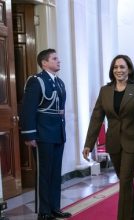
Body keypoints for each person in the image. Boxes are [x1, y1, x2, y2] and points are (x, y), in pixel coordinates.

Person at [82, 54, 134, 220]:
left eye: (122, 67)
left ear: (129, 69)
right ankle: (133, 216)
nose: (118, 70)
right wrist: (88, 144)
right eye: (115, 67)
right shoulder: (105, 91)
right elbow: (97, 117)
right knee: (125, 182)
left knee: (126, 180)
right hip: (114, 141)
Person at [20, 49, 72, 220]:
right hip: (42, 134)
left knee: (55, 172)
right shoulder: (36, 81)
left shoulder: (59, 82)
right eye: (55, 58)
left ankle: (54, 207)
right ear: (44, 62)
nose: (59, 61)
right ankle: (44, 212)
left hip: (57, 133)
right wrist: (29, 135)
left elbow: (60, 109)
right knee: (44, 173)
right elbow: (28, 109)